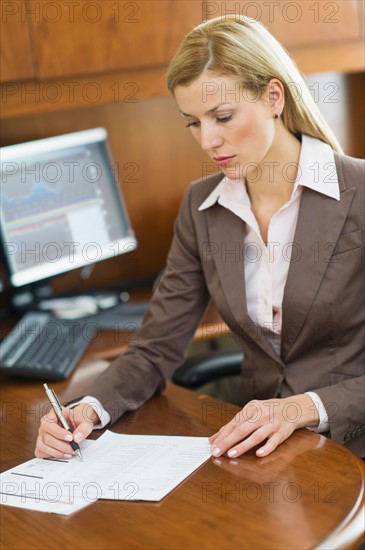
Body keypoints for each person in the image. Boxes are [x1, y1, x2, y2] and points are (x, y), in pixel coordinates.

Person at [35, 15, 364, 460]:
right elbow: (155, 348)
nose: (208, 140)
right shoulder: (202, 207)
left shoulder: (358, 194)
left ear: (273, 96)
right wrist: (88, 410)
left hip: (352, 447)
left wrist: (302, 409)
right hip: (261, 457)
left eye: (222, 117)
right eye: (192, 123)